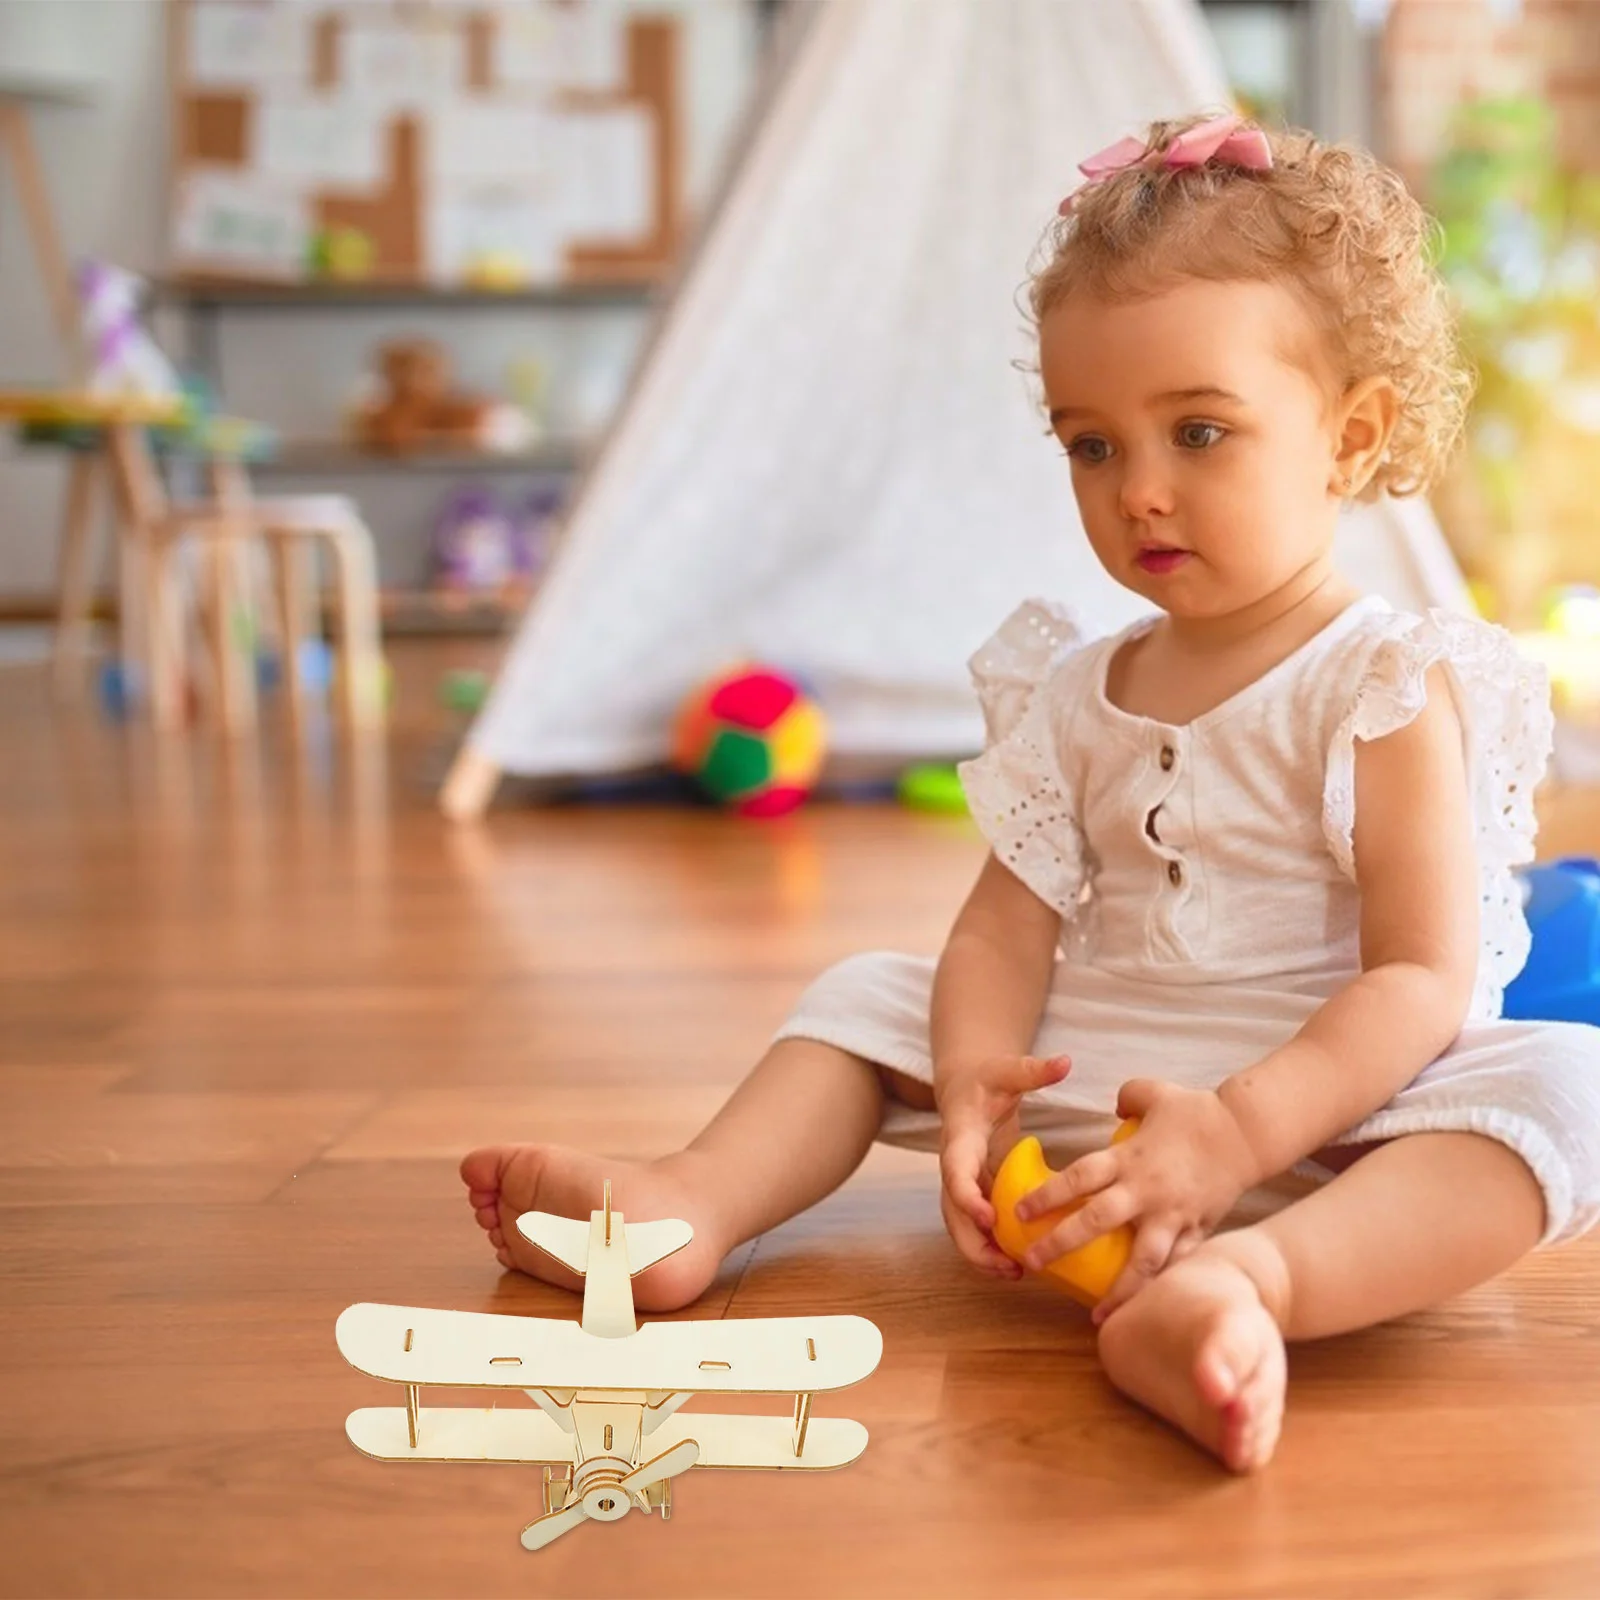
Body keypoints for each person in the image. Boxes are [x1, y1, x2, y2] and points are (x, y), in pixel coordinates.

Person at [460, 112, 1600, 1473]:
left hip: (1328, 1116)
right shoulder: (1079, 683)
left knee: (1567, 1085)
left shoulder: (1389, 682)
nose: (1142, 494)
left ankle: (1252, 1287)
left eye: (1199, 431)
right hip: (1094, 1087)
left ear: (1350, 439)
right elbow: (1005, 925)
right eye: (1092, 446)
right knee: (869, 993)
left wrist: (1241, 1131)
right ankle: (690, 1205)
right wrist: (967, 1084)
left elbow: (1418, 979)